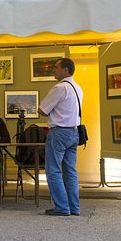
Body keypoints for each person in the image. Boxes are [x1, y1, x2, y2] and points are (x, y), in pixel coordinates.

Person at [38, 58, 83, 216]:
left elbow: (43, 110)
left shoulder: (60, 88)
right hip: (74, 132)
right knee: (70, 171)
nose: (53, 70)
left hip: (59, 132)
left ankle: (62, 207)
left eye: (56, 67)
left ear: (65, 70)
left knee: (53, 170)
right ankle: (74, 207)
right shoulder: (78, 88)